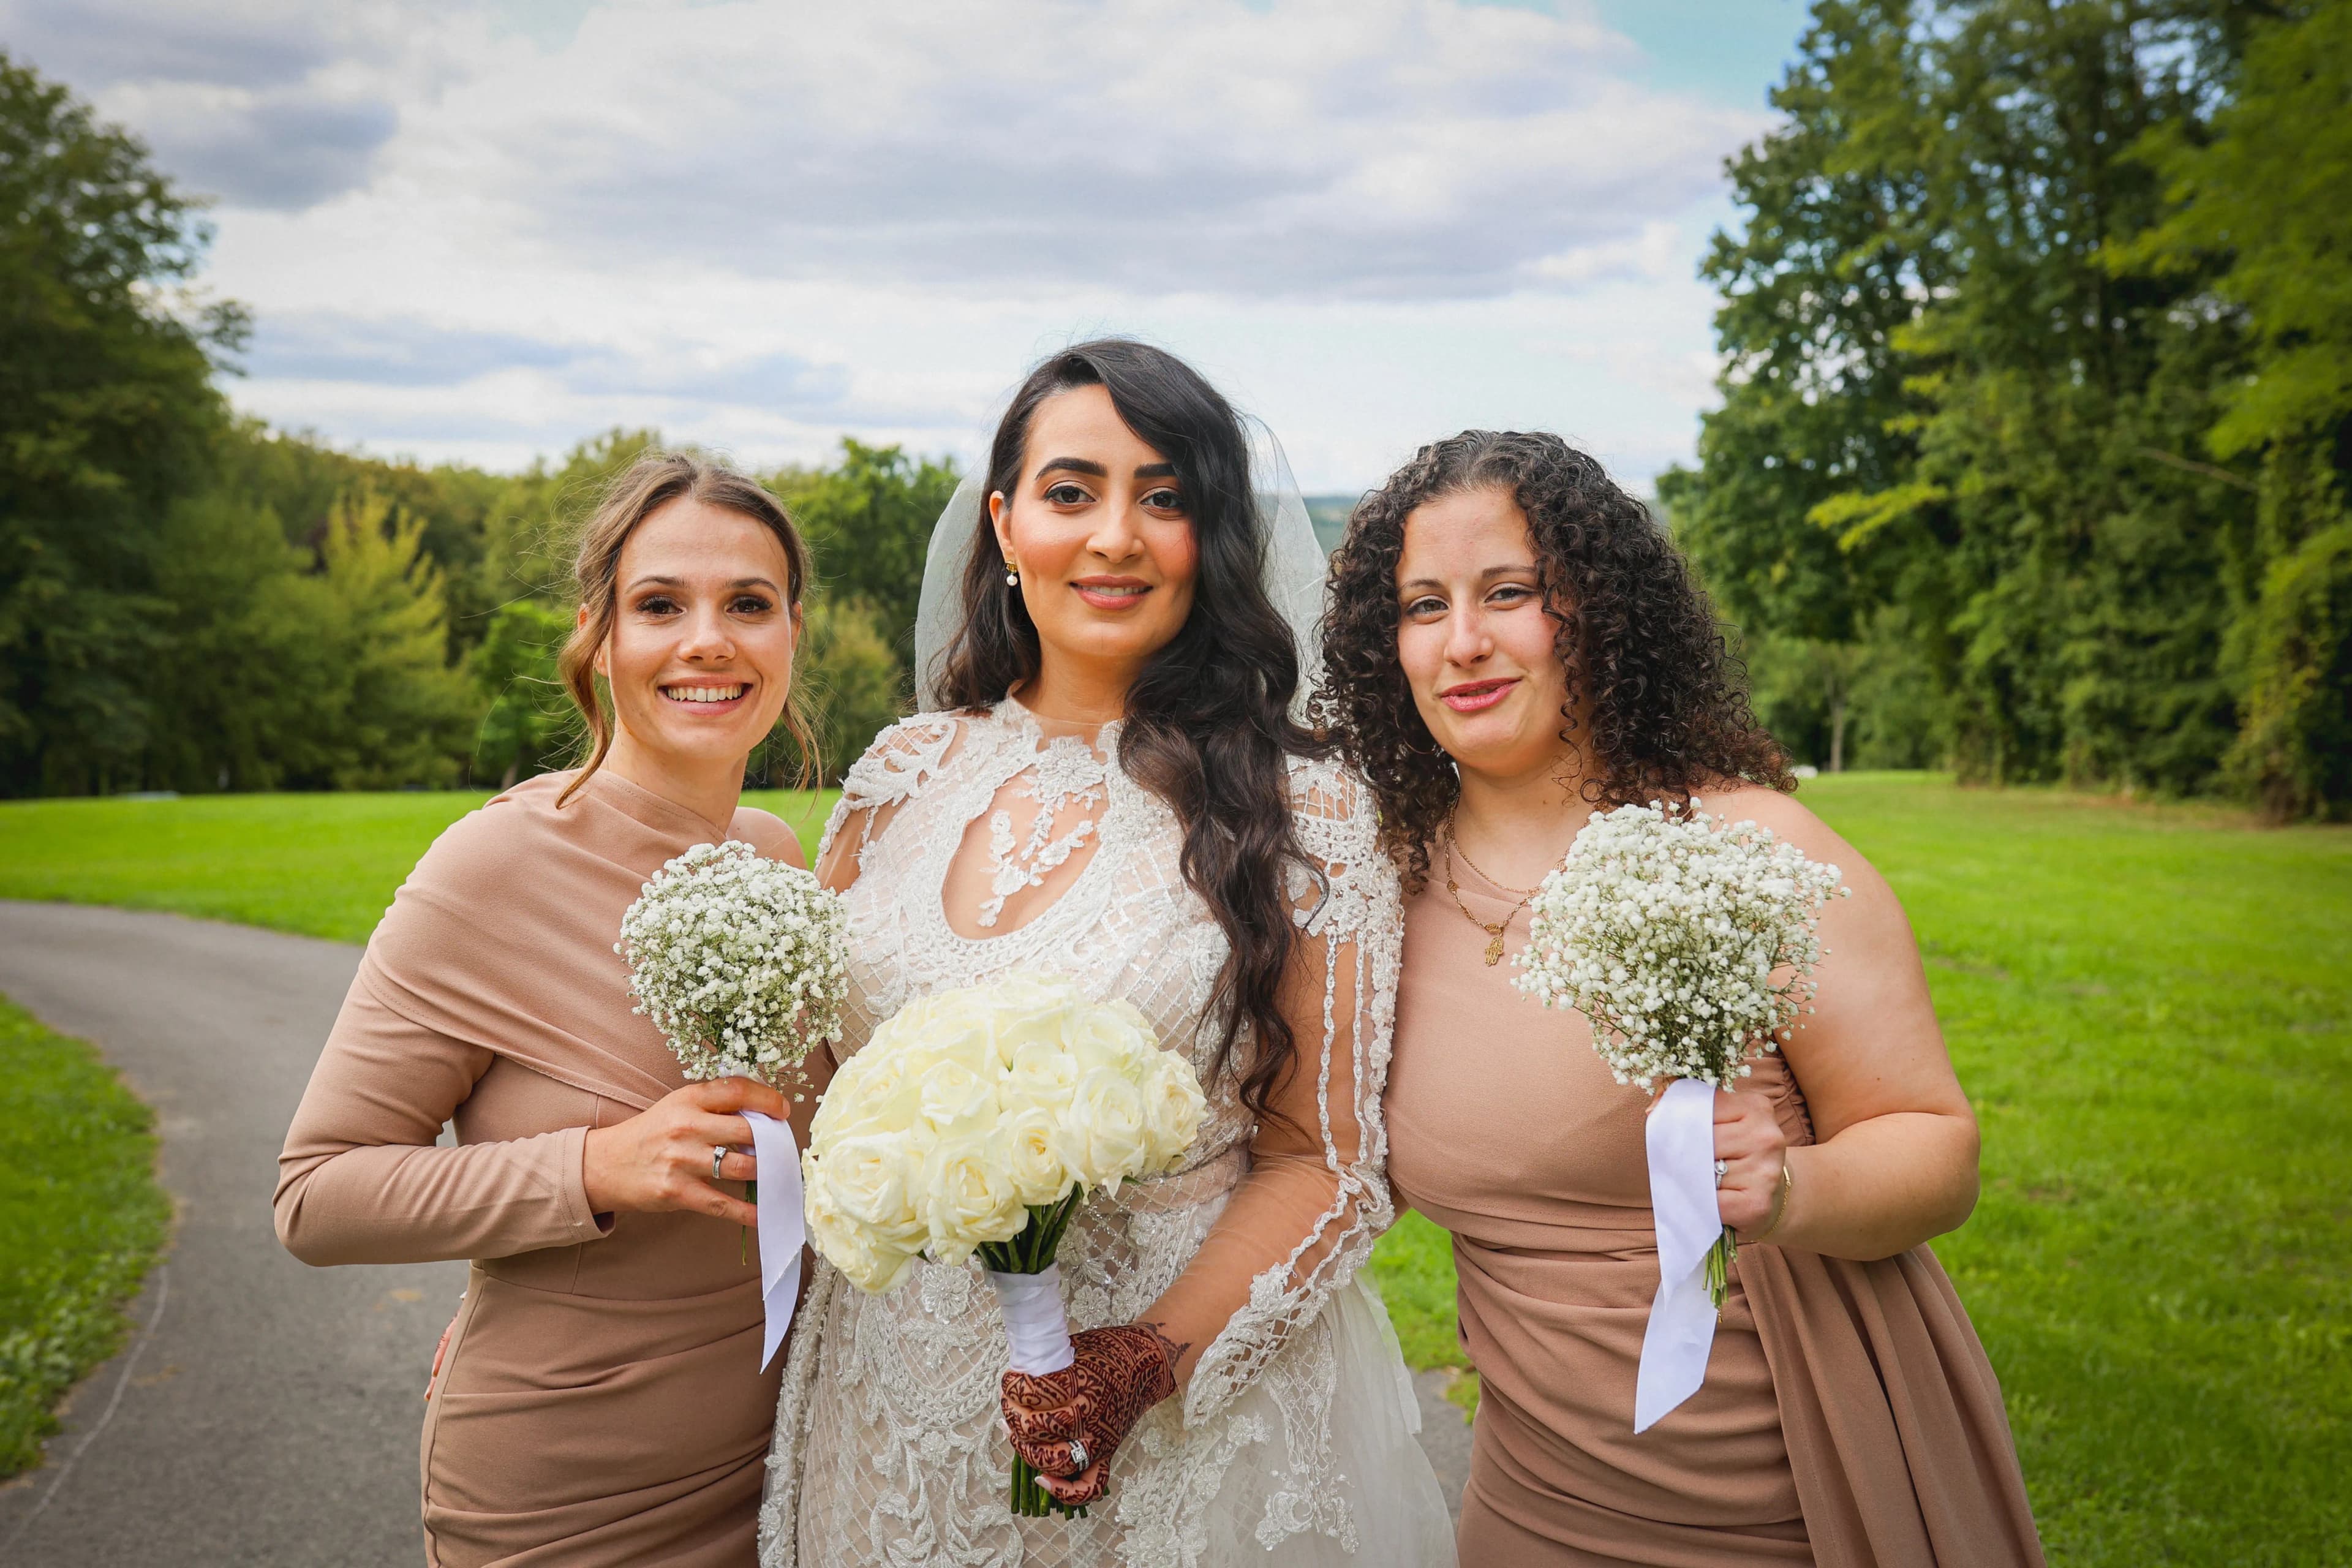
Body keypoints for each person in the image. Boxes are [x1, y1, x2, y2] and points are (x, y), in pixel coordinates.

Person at [757, 341, 1454, 1568]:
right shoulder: (898, 782)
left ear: (1214, 536)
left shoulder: (1311, 810)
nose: (1117, 534)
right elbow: (815, 1108)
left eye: (1167, 496)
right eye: (1072, 491)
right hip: (892, 1414)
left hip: (1176, 1430)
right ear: (1006, 524)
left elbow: (1325, 1162)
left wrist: (1141, 1361)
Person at [1313, 430, 2046, 1567]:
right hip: (1531, 1507)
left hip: (1800, 1481)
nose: (1464, 644)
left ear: (1600, 609)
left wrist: (1797, 1189)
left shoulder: (1751, 848)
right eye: (1423, 607)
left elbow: (1937, 1148)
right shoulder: (1378, 895)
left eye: (1510, 593)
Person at [275, 454, 831, 1567]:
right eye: (660, 605)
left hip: (791, 1464)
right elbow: (315, 1198)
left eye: (748, 606)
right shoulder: (493, 866)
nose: (708, 640)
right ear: (599, 637)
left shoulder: (775, 859)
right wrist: (592, 1170)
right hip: (573, 1492)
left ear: (790, 639)